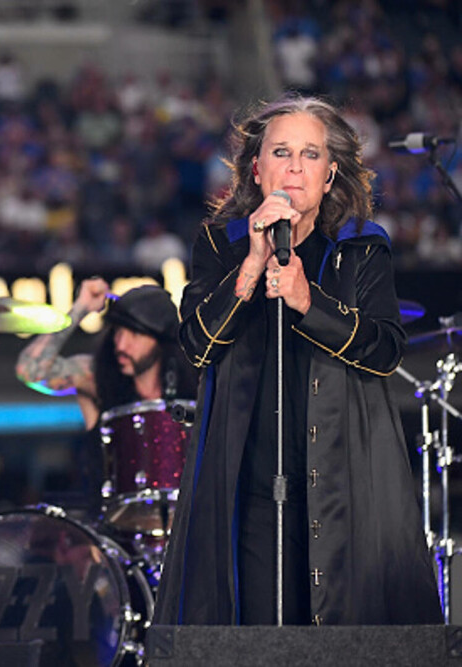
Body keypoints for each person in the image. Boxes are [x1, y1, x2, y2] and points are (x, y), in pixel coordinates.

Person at [153, 95, 441, 626]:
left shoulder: (361, 246)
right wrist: (252, 265)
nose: (294, 166)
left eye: (310, 155)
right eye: (281, 152)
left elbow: (385, 349)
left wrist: (311, 303)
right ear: (257, 170)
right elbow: (197, 346)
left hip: (344, 479)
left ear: (330, 175)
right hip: (250, 481)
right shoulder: (220, 243)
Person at [16, 278, 196, 430]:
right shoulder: (97, 376)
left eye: (135, 334)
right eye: (118, 332)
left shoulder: (193, 384)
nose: (121, 344)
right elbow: (29, 370)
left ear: (161, 339)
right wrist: (80, 307)